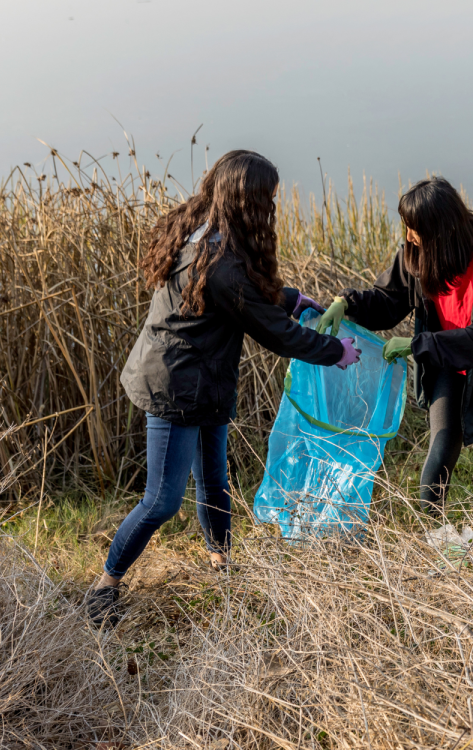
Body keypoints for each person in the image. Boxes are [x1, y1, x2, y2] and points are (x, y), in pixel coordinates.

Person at [83, 150, 360, 629]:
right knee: (161, 501)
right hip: (174, 386)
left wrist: (293, 298)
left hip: (203, 380)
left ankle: (221, 561)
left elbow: (250, 297)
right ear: (245, 200)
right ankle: (104, 585)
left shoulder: (207, 232)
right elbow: (275, 332)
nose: (272, 208)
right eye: (268, 199)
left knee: (214, 479)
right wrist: (336, 352)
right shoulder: (221, 261)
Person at [317, 177, 473, 515]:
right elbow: (389, 300)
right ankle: (434, 538)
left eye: (414, 229)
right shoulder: (415, 253)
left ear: (440, 231)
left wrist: (419, 344)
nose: (407, 237)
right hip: (445, 361)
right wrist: (347, 302)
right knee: (442, 444)